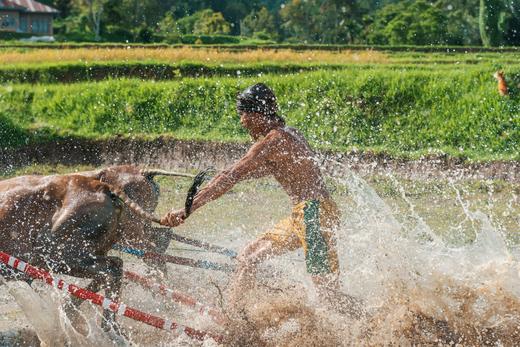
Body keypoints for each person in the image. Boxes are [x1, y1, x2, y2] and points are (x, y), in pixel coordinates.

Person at [161, 83, 357, 314]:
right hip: (307, 215)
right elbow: (270, 169)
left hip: (313, 216)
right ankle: (233, 319)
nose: (242, 122)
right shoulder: (291, 134)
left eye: (242, 115)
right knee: (248, 257)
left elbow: (230, 176)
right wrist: (231, 176)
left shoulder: (271, 142)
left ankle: (383, 320)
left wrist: (186, 210)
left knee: (328, 297)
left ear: (255, 114)